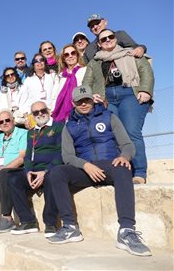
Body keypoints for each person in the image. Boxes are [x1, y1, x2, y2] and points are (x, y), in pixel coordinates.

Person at [48, 85, 151, 257]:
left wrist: (125, 156)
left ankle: (126, 231)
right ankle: (70, 227)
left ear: (92, 99)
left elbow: (127, 145)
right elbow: (68, 156)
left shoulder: (108, 116)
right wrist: (85, 165)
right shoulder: (69, 126)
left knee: (124, 168)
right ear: (73, 103)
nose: (84, 104)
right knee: (57, 172)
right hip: (86, 169)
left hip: (110, 165)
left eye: (86, 100)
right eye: (79, 101)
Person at [83, 29, 154, 184]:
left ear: (115, 38)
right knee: (112, 134)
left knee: (131, 131)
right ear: (99, 44)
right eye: (103, 39)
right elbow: (86, 82)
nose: (108, 40)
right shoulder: (95, 62)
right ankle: (121, 172)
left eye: (110, 37)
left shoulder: (130, 53)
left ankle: (139, 172)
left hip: (130, 93)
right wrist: (90, 95)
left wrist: (145, 90)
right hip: (107, 98)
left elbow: (146, 71)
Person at [8, 101, 63, 237]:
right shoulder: (31, 132)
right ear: (32, 115)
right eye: (36, 112)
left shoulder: (59, 127)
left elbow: (61, 152)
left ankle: (50, 223)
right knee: (13, 179)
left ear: (48, 111)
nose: (40, 114)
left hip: (50, 169)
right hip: (33, 170)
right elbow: (27, 156)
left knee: (52, 177)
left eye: (42, 110)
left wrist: (45, 172)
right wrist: (28, 172)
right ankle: (28, 221)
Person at [51, 44, 86, 122]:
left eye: (73, 53)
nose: (70, 56)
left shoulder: (84, 70)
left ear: (77, 54)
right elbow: (55, 96)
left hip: (80, 109)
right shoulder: (60, 76)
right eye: (66, 54)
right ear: (63, 58)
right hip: (61, 114)